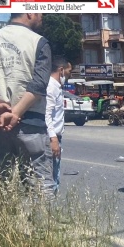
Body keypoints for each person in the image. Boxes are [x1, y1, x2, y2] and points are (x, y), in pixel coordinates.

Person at [0, 13, 54, 195]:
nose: (42, 17)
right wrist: (15, 113)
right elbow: (38, 85)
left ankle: (4, 223)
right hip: (30, 122)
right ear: (30, 12)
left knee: (1, 181)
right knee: (39, 183)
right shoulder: (38, 42)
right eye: (40, 13)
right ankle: (40, 223)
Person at [45, 56, 72, 193]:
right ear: (61, 70)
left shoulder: (57, 87)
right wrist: (53, 138)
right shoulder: (51, 87)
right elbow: (47, 114)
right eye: (68, 72)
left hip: (56, 137)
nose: (68, 75)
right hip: (52, 137)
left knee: (55, 175)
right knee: (51, 178)